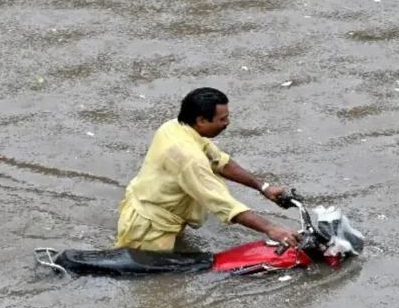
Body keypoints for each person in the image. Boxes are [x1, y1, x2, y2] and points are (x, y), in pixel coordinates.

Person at [116, 87, 302, 252]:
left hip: (154, 208)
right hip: (151, 226)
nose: (227, 123)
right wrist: (271, 228)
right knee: (157, 284)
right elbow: (223, 204)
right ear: (202, 120)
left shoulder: (175, 126)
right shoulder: (188, 157)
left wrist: (263, 188)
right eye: (222, 119)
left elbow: (220, 162)